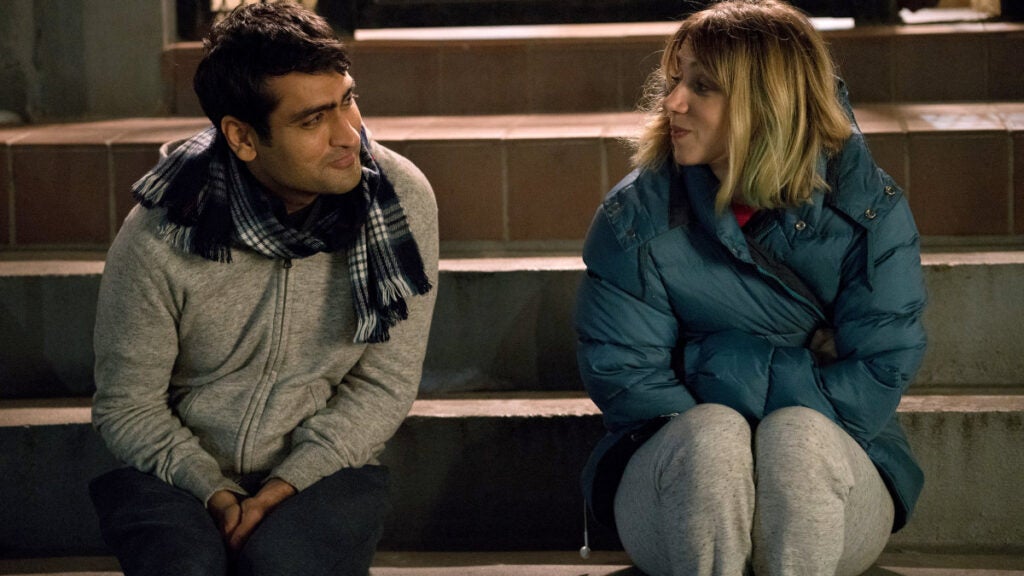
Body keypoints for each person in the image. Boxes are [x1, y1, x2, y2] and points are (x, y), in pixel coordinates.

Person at [575, 1, 927, 574]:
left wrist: (696, 358)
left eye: (702, 86)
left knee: (797, 438)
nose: (673, 102)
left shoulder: (868, 211)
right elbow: (630, 383)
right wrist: (797, 363)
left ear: (769, 101)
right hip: (674, 482)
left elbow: (877, 375)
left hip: (838, 470)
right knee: (714, 438)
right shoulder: (634, 217)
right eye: (675, 80)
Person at [88, 3, 437, 575]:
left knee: (287, 565)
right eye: (312, 120)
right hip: (173, 472)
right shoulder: (164, 227)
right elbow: (128, 405)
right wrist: (212, 488)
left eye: (347, 99)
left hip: (324, 468)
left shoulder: (397, 201)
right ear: (243, 137)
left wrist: (289, 482)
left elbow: (384, 382)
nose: (349, 135)